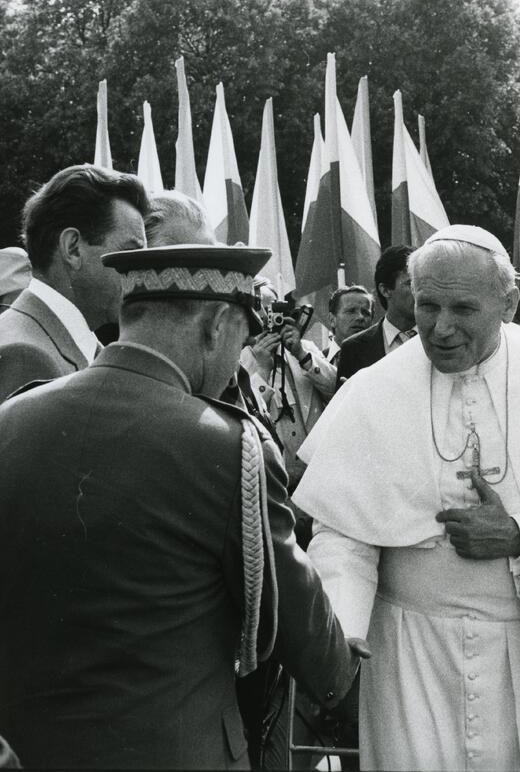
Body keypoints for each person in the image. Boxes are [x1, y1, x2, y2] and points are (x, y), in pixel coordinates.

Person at [293, 225, 520, 771]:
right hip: (408, 648)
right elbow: (342, 530)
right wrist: (343, 626)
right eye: (426, 305)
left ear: (507, 302)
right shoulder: (374, 388)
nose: (441, 328)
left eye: (463, 308)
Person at [0, 244, 366, 769]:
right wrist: (339, 670)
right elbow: (290, 617)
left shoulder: (14, 417)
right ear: (217, 326)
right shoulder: (228, 445)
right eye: (241, 339)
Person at [0, 164, 147, 400]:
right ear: (73, 249)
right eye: (130, 252)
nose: (141, 270)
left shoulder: (52, 341)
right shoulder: (26, 356)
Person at [242, 280, 337, 490]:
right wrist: (262, 371)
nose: (268, 318)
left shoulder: (304, 348)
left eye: (274, 308)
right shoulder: (240, 358)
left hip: (315, 479)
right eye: (261, 309)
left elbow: (335, 390)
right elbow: (245, 411)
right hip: (273, 481)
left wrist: (301, 355)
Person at [336, 244, 416, 381]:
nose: (419, 290)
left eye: (421, 283)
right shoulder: (354, 349)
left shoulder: (438, 340)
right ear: (385, 290)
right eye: (410, 283)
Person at [325, 285, 374, 366]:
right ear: (332, 320)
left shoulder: (381, 359)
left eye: (366, 313)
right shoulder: (317, 361)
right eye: (351, 311)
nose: (360, 317)